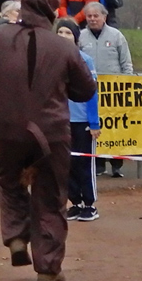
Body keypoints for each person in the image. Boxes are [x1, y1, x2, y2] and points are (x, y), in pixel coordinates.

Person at [0, 0, 97, 281]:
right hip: (52, 132)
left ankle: (16, 237)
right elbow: (87, 88)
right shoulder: (63, 46)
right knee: (50, 196)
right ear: (51, 10)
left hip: (9, 127)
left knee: (10, 183)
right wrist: (63, 91)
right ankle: (48, 268)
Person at [79, 2, 133, 177]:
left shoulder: (117, 36)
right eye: (89, 16)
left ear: (104, 16)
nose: (93, 19)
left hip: (114, 91)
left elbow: (126, 63)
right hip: (90, 91)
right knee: (96, 127)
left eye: (96, 16)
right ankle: (99, 164)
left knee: (115, 127)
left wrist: (127, 83)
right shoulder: (80, 37)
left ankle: (117, 164)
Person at [56, 19, 101, 222]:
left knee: (84, 162)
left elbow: (92, 93)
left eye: (68, 32)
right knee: (67, 163)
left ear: (75, 37)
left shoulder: (85, 60)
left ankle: (89, 204)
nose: (63, 36)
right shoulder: (51, 59)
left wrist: (93, 123)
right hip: (61, 119)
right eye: (60, 32)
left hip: (81, 120)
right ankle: (75, 202)